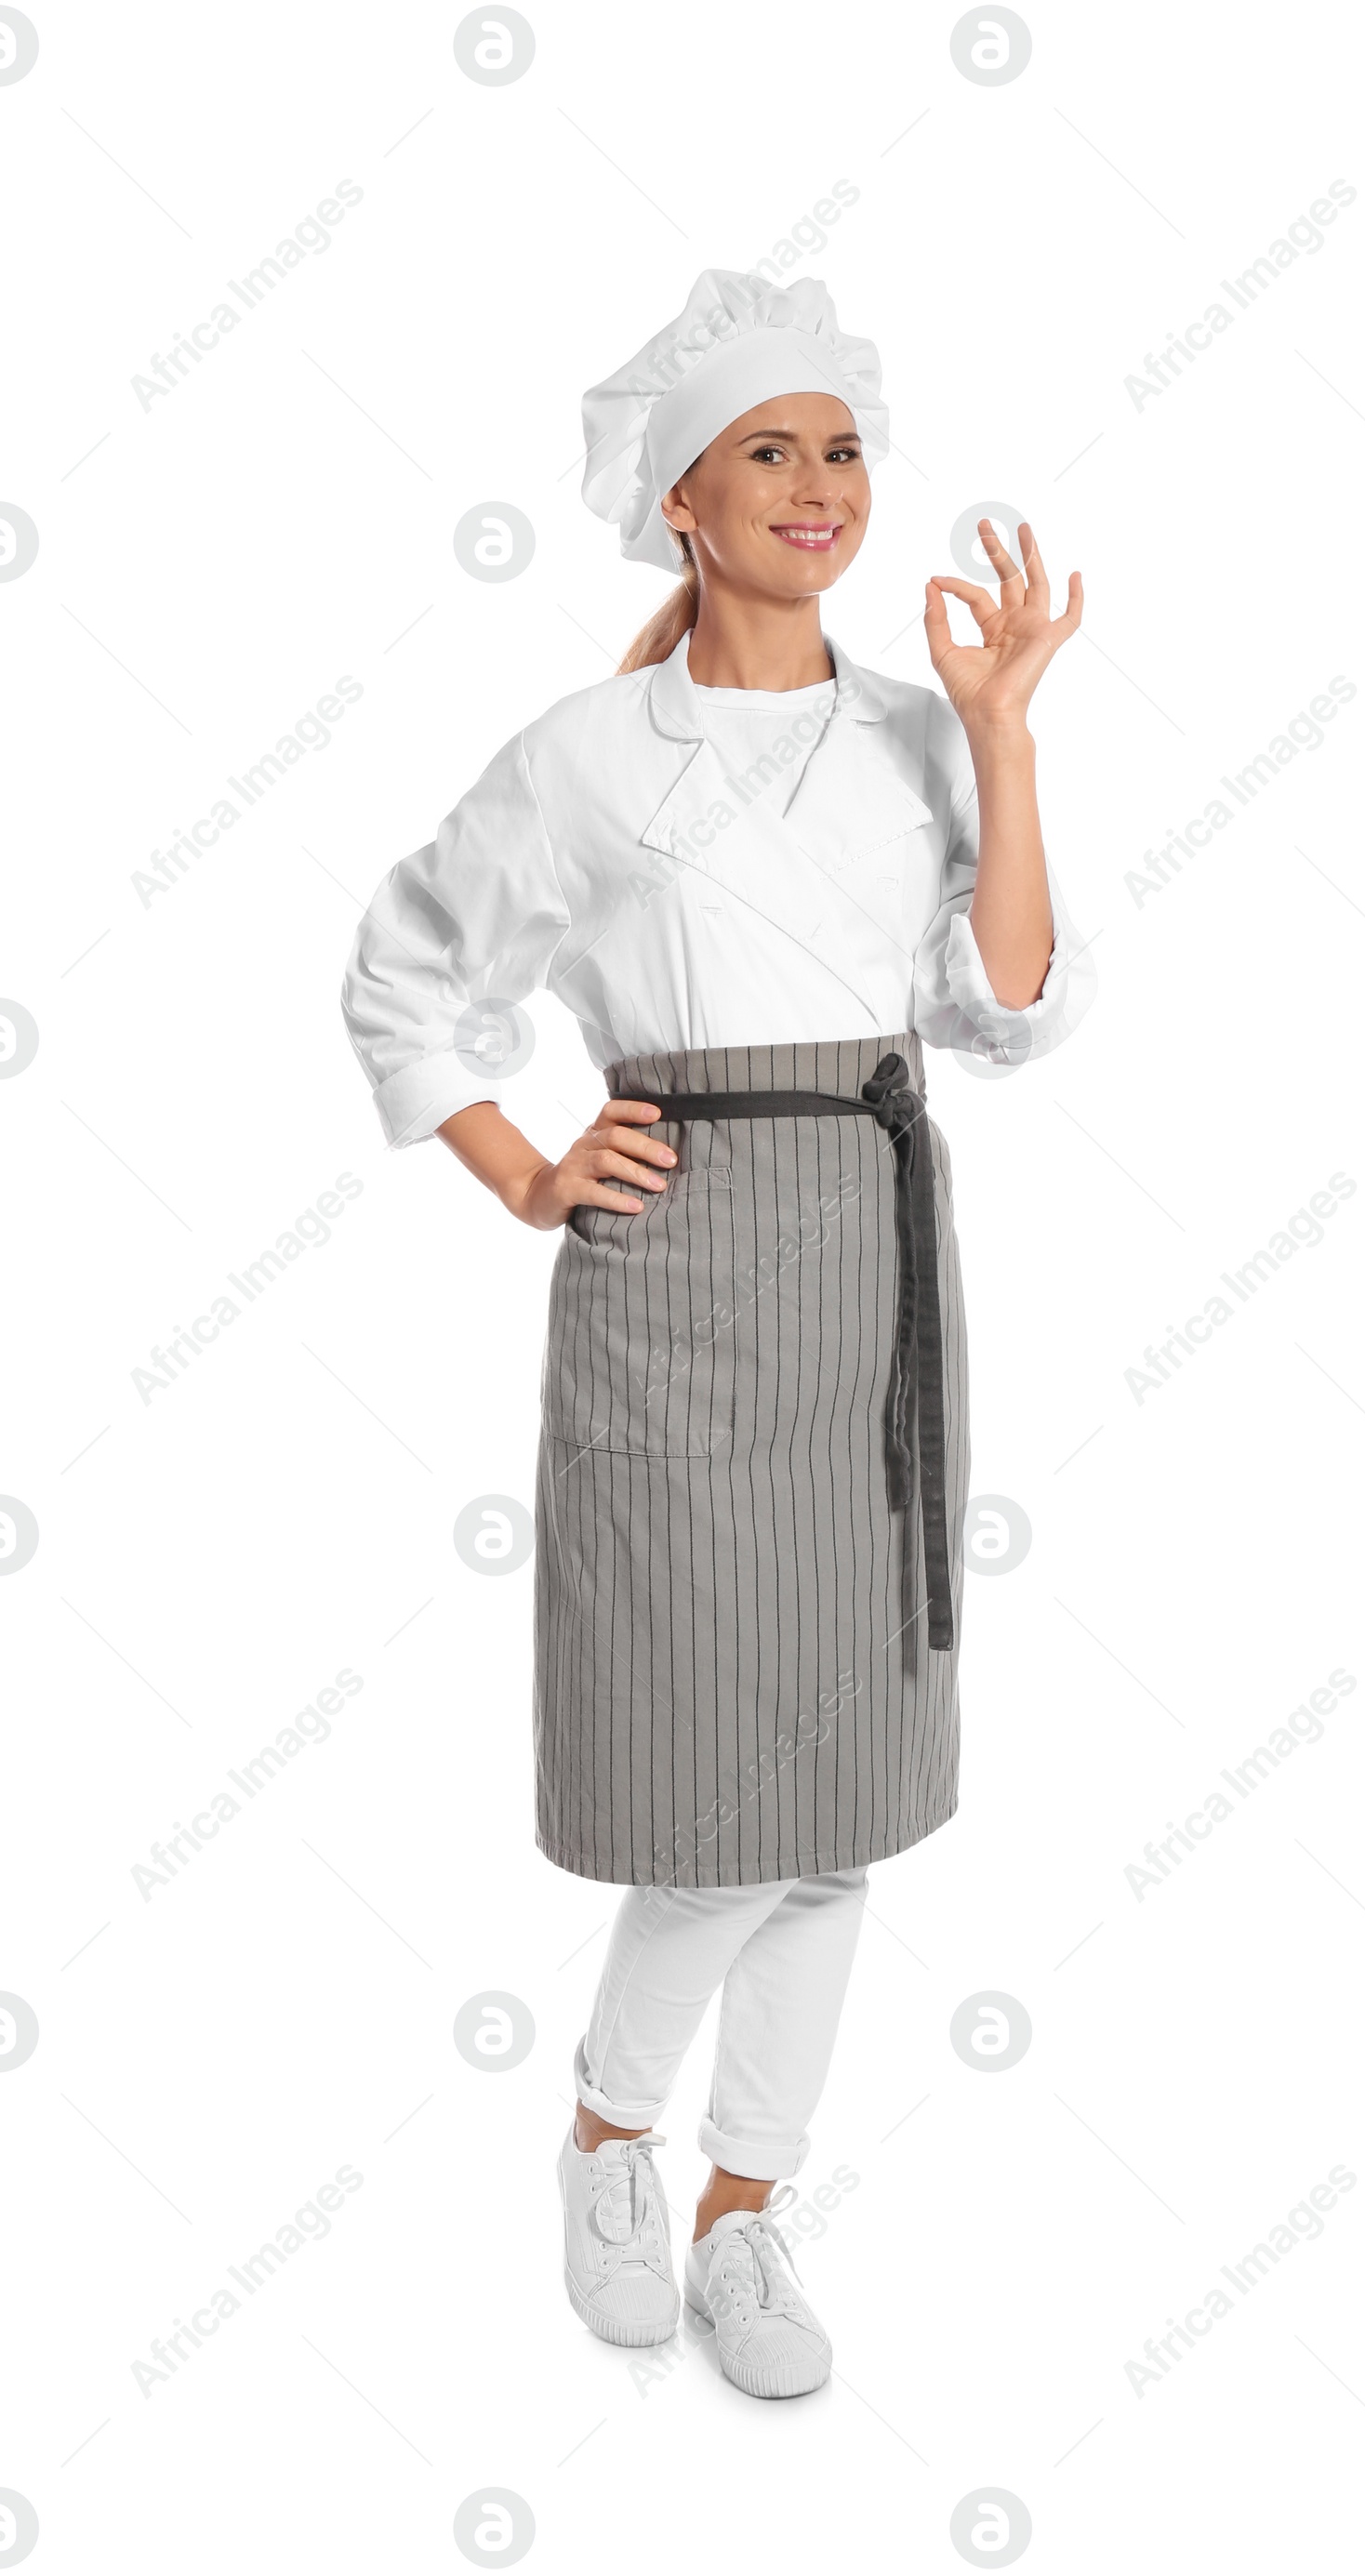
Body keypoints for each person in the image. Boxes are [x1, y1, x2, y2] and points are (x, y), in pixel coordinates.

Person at [340, 267, 1096, 2400]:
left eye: (838, 447)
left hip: (867, 1244)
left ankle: (747, 2214)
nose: (814, 487)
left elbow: (1009, 1007)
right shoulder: (583, 756)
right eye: (766, 448)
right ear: (677, 497)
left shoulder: (912, 734)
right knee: (714, 1795)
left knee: (842, 1802)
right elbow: (403, 972)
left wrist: (1011, 737)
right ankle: (605, 2135)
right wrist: (517, 1163)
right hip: (673, 1275)